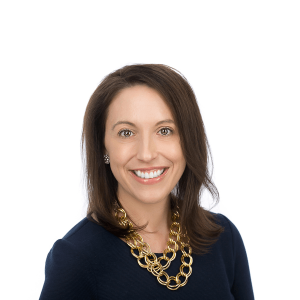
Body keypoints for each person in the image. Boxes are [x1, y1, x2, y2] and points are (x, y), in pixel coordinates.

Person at [39, 64, 254, 299]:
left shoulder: (223, 238)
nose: (146, 154)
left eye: (164, 131)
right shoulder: (75, 258)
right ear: (103, 146)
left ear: (188, 140)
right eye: (126, 133)